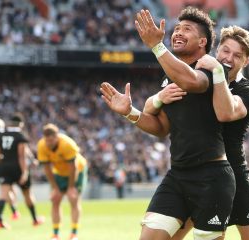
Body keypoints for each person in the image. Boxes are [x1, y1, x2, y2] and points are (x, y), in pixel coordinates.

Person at [100, 7, 235, 240]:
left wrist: (157, 46)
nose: (178, 33)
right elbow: (162, 128)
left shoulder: (211, 69)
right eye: (177, 29)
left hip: (211, 178)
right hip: (178, 175)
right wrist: (130, 112)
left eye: (187, 29)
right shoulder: (169, 78)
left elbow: (192, 82)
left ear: (203, 41)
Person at [149, 26, 249, 240]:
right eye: (225, 50)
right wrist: (155, 99)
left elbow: (226, 112)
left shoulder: (248, 91)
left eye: (237, 55)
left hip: (233, 176)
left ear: (246, 61)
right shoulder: (198, 79)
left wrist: (219, 73)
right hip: (199, 175)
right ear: (217, 50)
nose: (228, 58)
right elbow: (161, 116)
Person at [37, 123, 88, 240]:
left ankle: (74, 234)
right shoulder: (41, 145)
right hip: (59, 172)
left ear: (57, 137)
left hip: (77, 171)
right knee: (55, 199)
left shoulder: (67, 144)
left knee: (73, 199)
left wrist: (71, 188)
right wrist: (55, 188)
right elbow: (47, 169)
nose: (49, 143)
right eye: (47, 140)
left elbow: (73, 167)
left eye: (51, 140)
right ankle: (55, 234)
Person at [0, 114, 44, 229]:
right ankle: (35, 219)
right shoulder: (20, 136)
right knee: (27, 194)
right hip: (18, 168)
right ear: (21, 124)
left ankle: (0, 220)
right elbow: (21, 156)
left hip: (4, 167)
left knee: (3, 194)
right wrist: (24, 172)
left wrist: (4, 164)